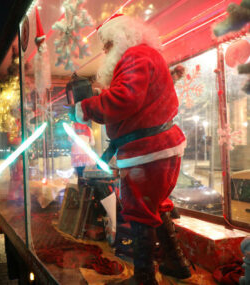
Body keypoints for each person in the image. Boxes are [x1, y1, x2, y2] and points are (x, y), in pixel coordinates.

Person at [70, 14, 190, 284]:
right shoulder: (147, 56)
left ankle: (144, 277)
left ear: (120, 38)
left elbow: (124, 100)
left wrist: (86, 108)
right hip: (159, 148)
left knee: (139, 209)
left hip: (147, 152)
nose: (104, 52)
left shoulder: (134, 57)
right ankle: (176, 262)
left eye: (107, 44)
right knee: (155, 205)